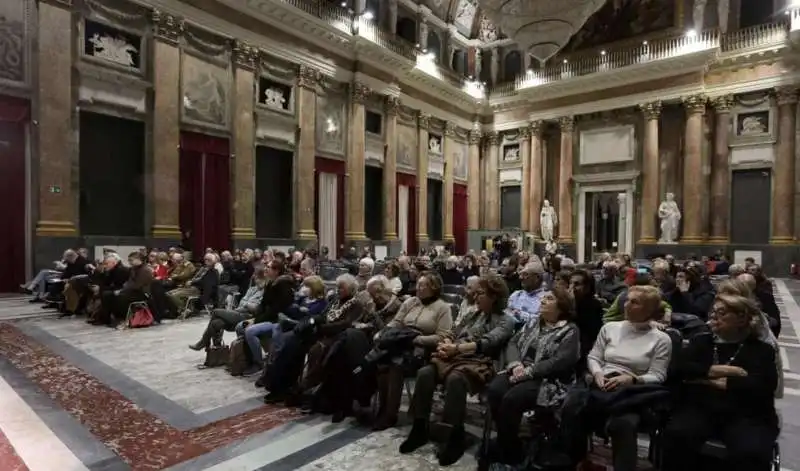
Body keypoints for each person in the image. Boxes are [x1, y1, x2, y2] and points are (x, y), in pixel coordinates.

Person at [401, 274, 514, 465]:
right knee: (425, 373)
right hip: (457, 358)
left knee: (455, 379)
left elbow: (488, 342)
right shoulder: (473, 314)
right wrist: (446, 342)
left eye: (481, 293)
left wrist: (457, 348)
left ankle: (455, 434)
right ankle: (419, 427)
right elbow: (454, 332)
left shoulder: (505, 320)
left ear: (494, 296)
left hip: (482, 364)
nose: (476, 297)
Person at [561, 285, 673, 471]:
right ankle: (576, 462)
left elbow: (658, 375)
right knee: (572, 409)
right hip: (601, 382)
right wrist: (597, 373)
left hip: (631, 392)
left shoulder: (661, 339)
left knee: (623, 424)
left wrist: (632, 379)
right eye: (627, 300)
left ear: (649, 309)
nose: (626, 305)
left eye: (634, 302)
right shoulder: (610, 328)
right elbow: (594, 357)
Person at [661, 294, 779, 471]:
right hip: (701, 408)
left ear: (742, 318)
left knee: (751, 451)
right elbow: (677, 370)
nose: (713, 317)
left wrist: (703, 379)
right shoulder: (701, 341)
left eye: (721, 313)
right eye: (713, 312)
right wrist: (719, 371)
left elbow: (761, 386)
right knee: (677, 435)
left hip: (746, 414)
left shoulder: (761, 350)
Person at [485, 288, 579, 465]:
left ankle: (509, 451)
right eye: (543, 298)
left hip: (548, 379)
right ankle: (509, 442)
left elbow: (558, 362)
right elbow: (513, 342)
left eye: (549, 299)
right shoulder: (535, 322)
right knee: (495, 390)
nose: (543, 301)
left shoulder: (570, 330)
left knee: (512, 399)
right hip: (519, 369)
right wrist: (515, 364)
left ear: (562, 306)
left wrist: (528, 372)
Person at [373, 271, 453, 430]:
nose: (418, 288)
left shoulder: (443, 308)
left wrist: (416, 340)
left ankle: (390, 415)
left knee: (395, 365)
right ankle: (382, 409)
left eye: (423, 285)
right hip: (400, 342)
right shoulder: (410, 303)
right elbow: (396, 322)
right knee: (380, 363)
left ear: (434, 288)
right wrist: (383, 333)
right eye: (418, 284)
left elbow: (442, 337)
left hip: (422, 350)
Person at [189, 265, 267, 351]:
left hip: (248, 317)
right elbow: (242, 302)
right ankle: (217, 347)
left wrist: (246, 304)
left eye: (258, 278)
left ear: (263, 279)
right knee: (216, 323)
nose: (255, 280)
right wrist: (247, 304)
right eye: (255, 278)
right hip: (239, 312)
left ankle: (204, 343)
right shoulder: (252, 289)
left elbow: (255, 308)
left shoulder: (265, 291)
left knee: (215, 312)